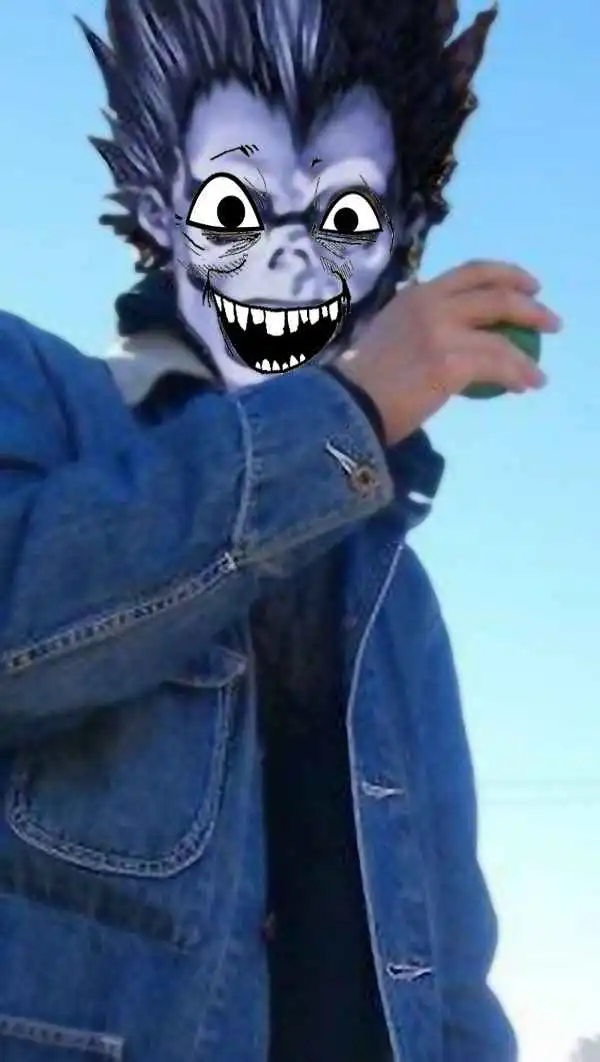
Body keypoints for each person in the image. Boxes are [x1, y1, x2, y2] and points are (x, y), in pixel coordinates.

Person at [0, 0, 561, 1060]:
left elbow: (451, 967)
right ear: (162, 206)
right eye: (234, 207)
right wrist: (344, 417)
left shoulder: (396, 592)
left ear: (398, 243)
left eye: (346, 217)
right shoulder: (35, 390)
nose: (293, 262)